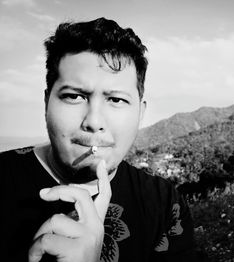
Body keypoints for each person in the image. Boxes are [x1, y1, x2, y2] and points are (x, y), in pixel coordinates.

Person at [0, 17, 196, 262]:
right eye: (73, 96)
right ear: (46, 102)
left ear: (141, 113)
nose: (93, 120)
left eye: (116, 100)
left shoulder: (165, 204)